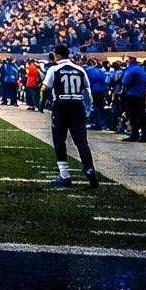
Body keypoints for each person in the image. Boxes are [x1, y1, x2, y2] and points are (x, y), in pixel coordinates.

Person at [43, 46, 99, 188]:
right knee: (81, 142)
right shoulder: (80, 70)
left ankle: (65, 175)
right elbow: (87, 92)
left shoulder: (54, 69)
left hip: (61, 107)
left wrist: (42, 104)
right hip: (77, 107)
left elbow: (45, 88)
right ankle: (89, 169)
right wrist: (87, 111)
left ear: (56, 55)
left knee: (59, 141)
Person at [118, 56, 146, 142]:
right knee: (141, 115)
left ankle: (134, 135)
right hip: (141, 94)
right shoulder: (142, 70)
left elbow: (125, 81)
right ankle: (144, 135)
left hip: (131, 94)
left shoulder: (130, 70)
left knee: (132, 115)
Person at [83, 56, 110, 131]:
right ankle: (100, 123)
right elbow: (104, 80)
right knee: (99, 107)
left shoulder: (84, 70)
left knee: (94, 107)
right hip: (99, 91)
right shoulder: (97, 71)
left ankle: (96, 123)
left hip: (90, 91)